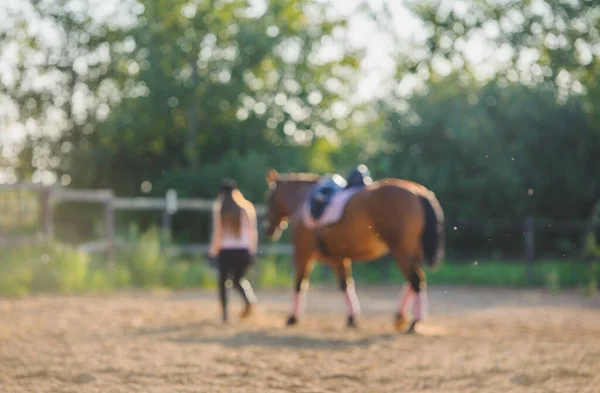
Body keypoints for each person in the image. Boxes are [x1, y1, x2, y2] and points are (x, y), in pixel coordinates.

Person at [208, 179, 258, 323]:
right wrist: (252, 251)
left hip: (225, 251)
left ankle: (224, 314)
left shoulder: (219, 209)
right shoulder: (245, 208)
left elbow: (217, 233)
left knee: (222, 282)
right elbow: (252, 233)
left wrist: (213, 251)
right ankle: (249, 299)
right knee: (238, 280)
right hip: (242, 250)